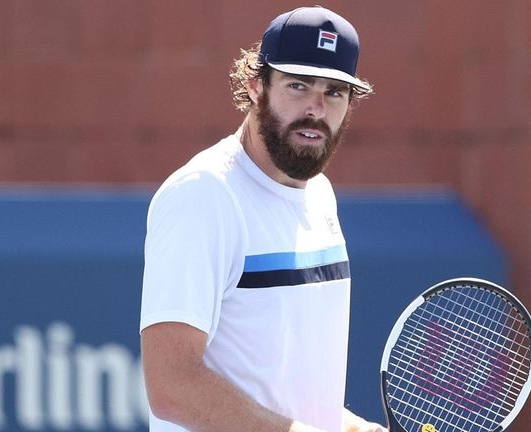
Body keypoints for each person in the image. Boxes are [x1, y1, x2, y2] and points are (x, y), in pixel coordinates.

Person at [140, 6, 384, 432]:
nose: (316, 109)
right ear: (256, 86)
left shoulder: (320, 195)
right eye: (298, 86)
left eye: (334, 92)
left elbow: (288, 392)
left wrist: (355, 429)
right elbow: (172, 386)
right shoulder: (203, 195)